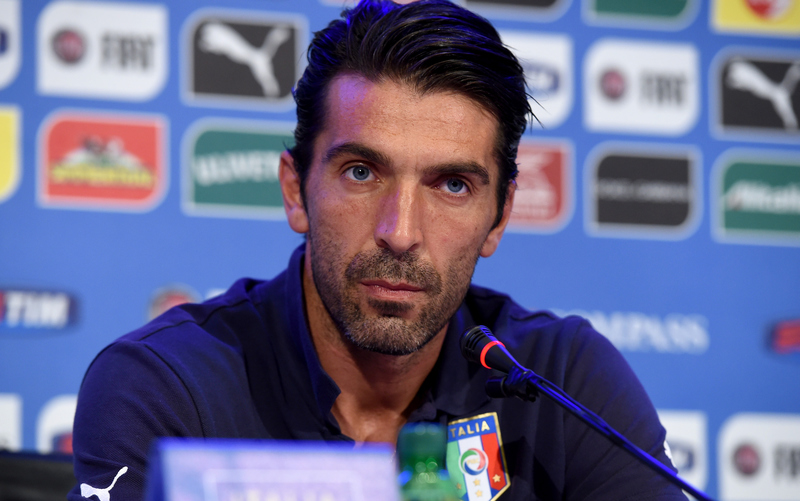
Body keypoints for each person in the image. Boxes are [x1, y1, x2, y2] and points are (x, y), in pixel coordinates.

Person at [69, 1, 688, 500]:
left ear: (498, 217)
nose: (400, 230)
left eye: (452, 185)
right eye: (362, 173)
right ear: (296, 191)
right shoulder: (167, 385)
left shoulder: (562, 382)